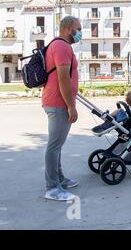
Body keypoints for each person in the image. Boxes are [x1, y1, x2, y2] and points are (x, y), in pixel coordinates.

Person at [42, 16, 81, 201]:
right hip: (58, 103)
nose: (80, 32)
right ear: (68, 29)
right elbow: (63, 78)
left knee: (57, 145)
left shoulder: (60, 46)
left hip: (58, 101)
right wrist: (71, 106)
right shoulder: (62, 46)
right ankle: (52, 188)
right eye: (78, 28)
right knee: (54, 146)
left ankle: (59, 178)